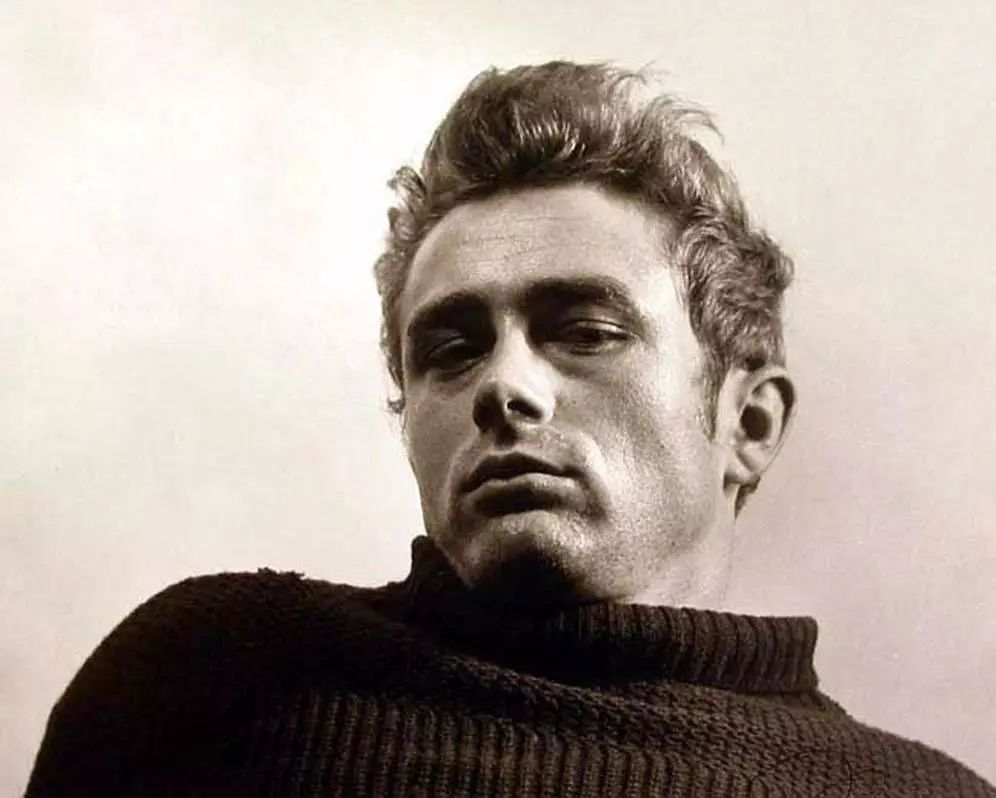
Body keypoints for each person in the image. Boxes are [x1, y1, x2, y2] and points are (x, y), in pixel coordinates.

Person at [27, 61, 994, 797]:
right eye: (451, 349)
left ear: (747, 422)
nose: (504, 386)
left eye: (586, 332)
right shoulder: (216, 681)